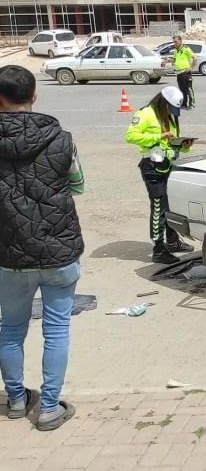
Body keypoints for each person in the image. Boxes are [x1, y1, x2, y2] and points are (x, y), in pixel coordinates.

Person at [0, 65, 84, 431]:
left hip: (9, 254)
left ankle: (16, 399)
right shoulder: (62, 139)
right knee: (57, 329)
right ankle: (49, 407)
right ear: (34, 96)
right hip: (58, 248)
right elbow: (78, 184)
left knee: (10, 328)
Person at [126, 86, 195, 264]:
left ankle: (172, 241)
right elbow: (131, 136)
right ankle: (158, 249)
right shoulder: (145, 113)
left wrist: (184, 145)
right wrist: (158, 136)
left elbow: (171, 144)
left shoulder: (169, 117)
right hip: (152, 167)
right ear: (163, 102)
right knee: (159, 208)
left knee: (172, 206)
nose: (171, 112)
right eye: (170, 108)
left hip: (168, 165)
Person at [172, 36, 196, 110]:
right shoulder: (176, 50)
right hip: (178, 73)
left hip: (185, 72)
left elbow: (195, 58)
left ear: (180, 41)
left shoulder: (186, 49)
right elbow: (174, 60)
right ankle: (184, 104)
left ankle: (192, 104)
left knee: (188, 89)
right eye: (174, 42)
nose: (175, 43)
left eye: (176, 42)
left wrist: (191, 67)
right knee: (182, 89)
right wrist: (166, 61)